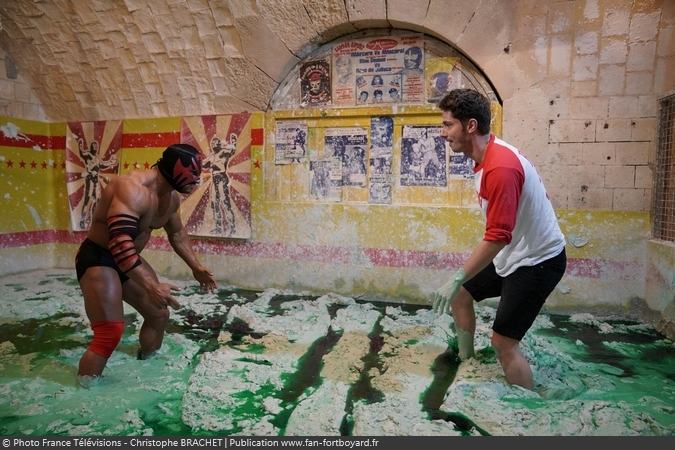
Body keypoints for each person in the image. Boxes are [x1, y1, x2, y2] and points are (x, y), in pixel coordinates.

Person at [432, 89, 566, 391]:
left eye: (448, 125)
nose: (442, 133)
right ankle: (466, 364)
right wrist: (460, 283)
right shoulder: (484, 156)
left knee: (503, 343)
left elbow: (498, 236)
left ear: (470, 126)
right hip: (513, 255)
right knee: (460, 296)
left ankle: (527, 406)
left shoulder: (501, 167)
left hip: (537, 262)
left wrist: (457, 274)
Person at [75, 143, 218, 385]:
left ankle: (148, 368)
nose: (197, 183)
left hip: (128, 260)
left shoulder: (170, 196)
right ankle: (83, 393)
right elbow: (120, 246)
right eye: (193, 175)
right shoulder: (132, 189)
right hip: (100, 259)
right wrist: (151, 285)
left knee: (159, 314)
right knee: (109, 334)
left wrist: (195, 267)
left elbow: (177, 233)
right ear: (177, 171)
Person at [79, 139, 117, 230]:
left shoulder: (97, 158)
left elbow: (103, 164)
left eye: (96, 146)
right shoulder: (88, 155)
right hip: (90, 178)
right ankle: (82, 221)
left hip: (95, 179)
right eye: (94, 146)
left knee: (96, 201)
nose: (95, 147)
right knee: (88, 200)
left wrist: (111, 162)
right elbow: (81, 154)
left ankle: (93, 223)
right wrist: (80, 146)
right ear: (91, 147)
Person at [204, 135, 237, 236]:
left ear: (219, 144)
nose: (214, 145)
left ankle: (232, 228)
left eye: (215, 143)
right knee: (214, 203)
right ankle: (218, 228)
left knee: (225, 203)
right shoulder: (212, 155)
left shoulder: (223, 152)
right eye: (212, 143)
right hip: (215, 179)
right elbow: (204, 164)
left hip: (222, 178)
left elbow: (232, 151)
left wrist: (234, 142)